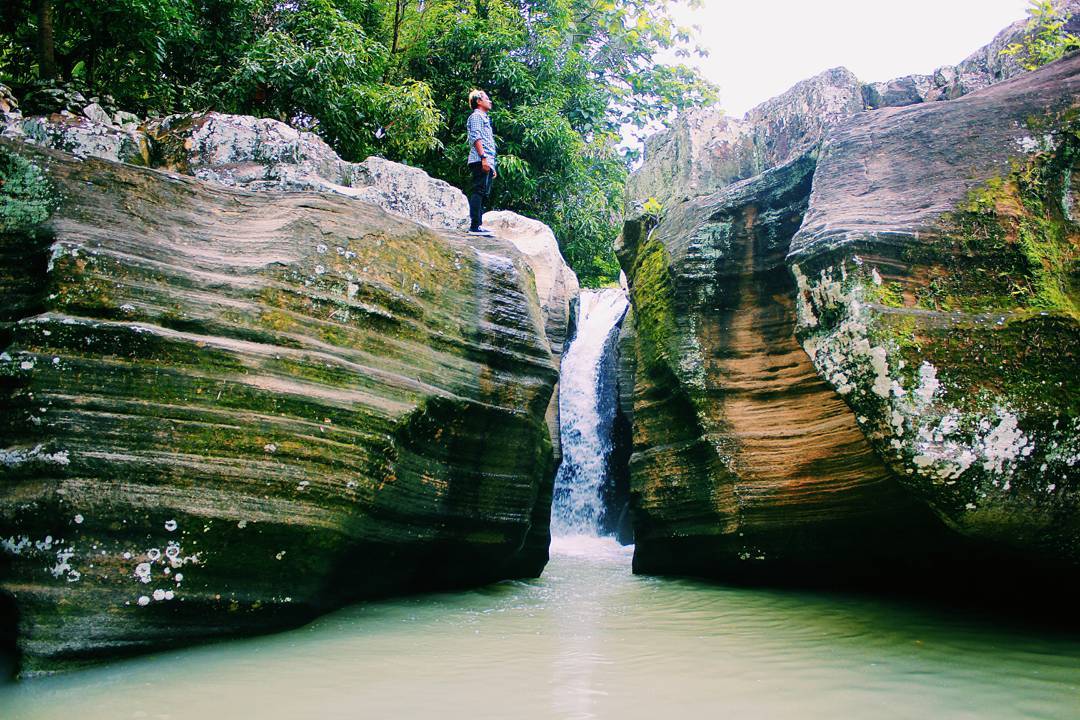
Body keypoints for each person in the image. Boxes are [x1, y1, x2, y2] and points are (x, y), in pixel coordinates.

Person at [466, 89, 497, 235]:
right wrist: (483, 158)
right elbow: (476, 138)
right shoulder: (476, 116)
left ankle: (478, 225)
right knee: (478, 191)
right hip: (480, 160)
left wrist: (491, 165)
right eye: (487, 98)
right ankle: (474, 226)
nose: (490, 101)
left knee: (484, 193)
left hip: (486, 161)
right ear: (478, 101)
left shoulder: (484, 117)